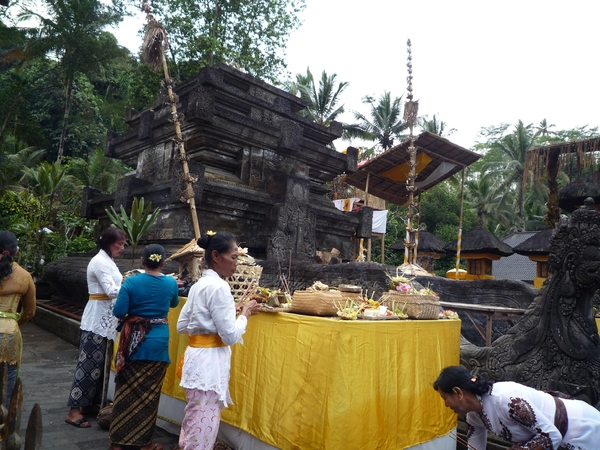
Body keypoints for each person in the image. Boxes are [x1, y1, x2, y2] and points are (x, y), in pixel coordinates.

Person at [177, 231, 260, 450]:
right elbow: (230, 336)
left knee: (194, 421)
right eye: (233, 257)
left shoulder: (198, 286)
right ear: (216, 256)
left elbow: (182, 325)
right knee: (202, 429)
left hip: (196, 358)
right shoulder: (220, 288)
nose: (236, 263)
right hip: (209, 364)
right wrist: (245, 314)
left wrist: (214, 319)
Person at [109, 243, 179, 450]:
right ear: (164, 262)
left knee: (125, 392)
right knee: (149, 396)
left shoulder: (131, 282)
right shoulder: (170, 283)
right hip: (158, 343)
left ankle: (117, 443)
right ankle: (144, 444)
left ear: (142, 262)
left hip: (133, 344)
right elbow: (174, 304)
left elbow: (119, 312)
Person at [433, 365, 600, 450]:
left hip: (582, 429)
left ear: (458, 393)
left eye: (445, 398)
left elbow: (551, 436)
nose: (446, 405)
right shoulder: (474, 416)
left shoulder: (507, 400)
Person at [66, 226, 127, 428]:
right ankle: (73, 410)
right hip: (96, 320)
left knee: (100, 366)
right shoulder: (100, 262)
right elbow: (111, 290)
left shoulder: (108, 261)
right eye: (119, 243)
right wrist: (133, 284)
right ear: (109, 243)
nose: (122, 247)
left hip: (107, 319)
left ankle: (89, 403)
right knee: (88, 365)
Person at [0, 231, 36, 406]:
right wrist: (14, 321)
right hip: (10, 332)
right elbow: (30, 312)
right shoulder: (25, 276)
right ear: (15, 250)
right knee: (9, 378)